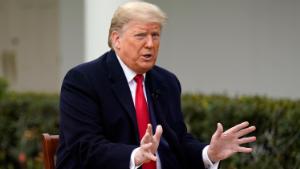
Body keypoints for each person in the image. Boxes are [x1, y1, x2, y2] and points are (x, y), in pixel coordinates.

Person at [56, 1, 256, 169]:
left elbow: (178, 141)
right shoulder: (83, 80)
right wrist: (135, 156)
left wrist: (209, 153)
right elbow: (84, 146)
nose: (150, 44)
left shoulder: (166, 82)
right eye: (141, 35)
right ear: (116, 39)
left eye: (155, 35)